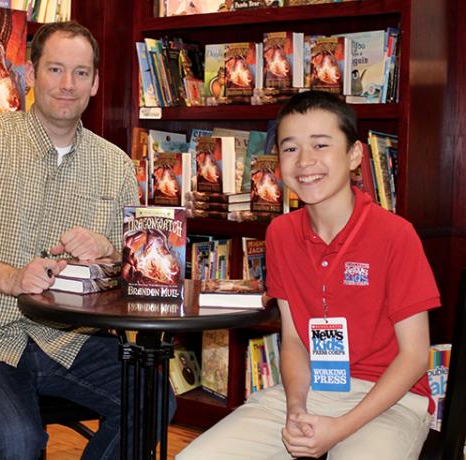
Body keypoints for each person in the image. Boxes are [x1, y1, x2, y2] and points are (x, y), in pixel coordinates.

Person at [0, 21, 171, 460]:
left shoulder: (114, 164)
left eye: (81, 73)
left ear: (95, 83)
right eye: (55, 69)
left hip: (66, 338)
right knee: (18, 441)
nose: (67, 85)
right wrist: (12, 279)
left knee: (155, 400)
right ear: (31, 76)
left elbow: (132, 271)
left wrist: (109, 252)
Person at [177, 90, 440, 459]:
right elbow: (296, 340)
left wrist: (338, 429)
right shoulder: (280, 233)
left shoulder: (396, 235)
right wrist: (296, 407)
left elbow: (414, 357)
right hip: (309, 390)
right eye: (290, 148)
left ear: (353, 155)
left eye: (320, 145)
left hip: (389, 399)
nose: (304, 161)